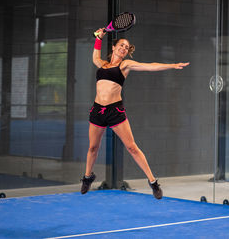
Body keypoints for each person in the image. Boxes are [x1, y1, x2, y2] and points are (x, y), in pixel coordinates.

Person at [80, 28, 189, 199]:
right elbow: (95, 56)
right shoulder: (101, 64)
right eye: (121, 45)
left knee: (132, 147)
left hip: (114, 111)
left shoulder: (125, 65)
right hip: (97, 111)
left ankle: (153, 182)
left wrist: (172, 65)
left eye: (126, 47)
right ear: (114, 47)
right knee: (93, 148)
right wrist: (98, 38)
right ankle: (87, 177)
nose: (124, 48)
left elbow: (149, 66)